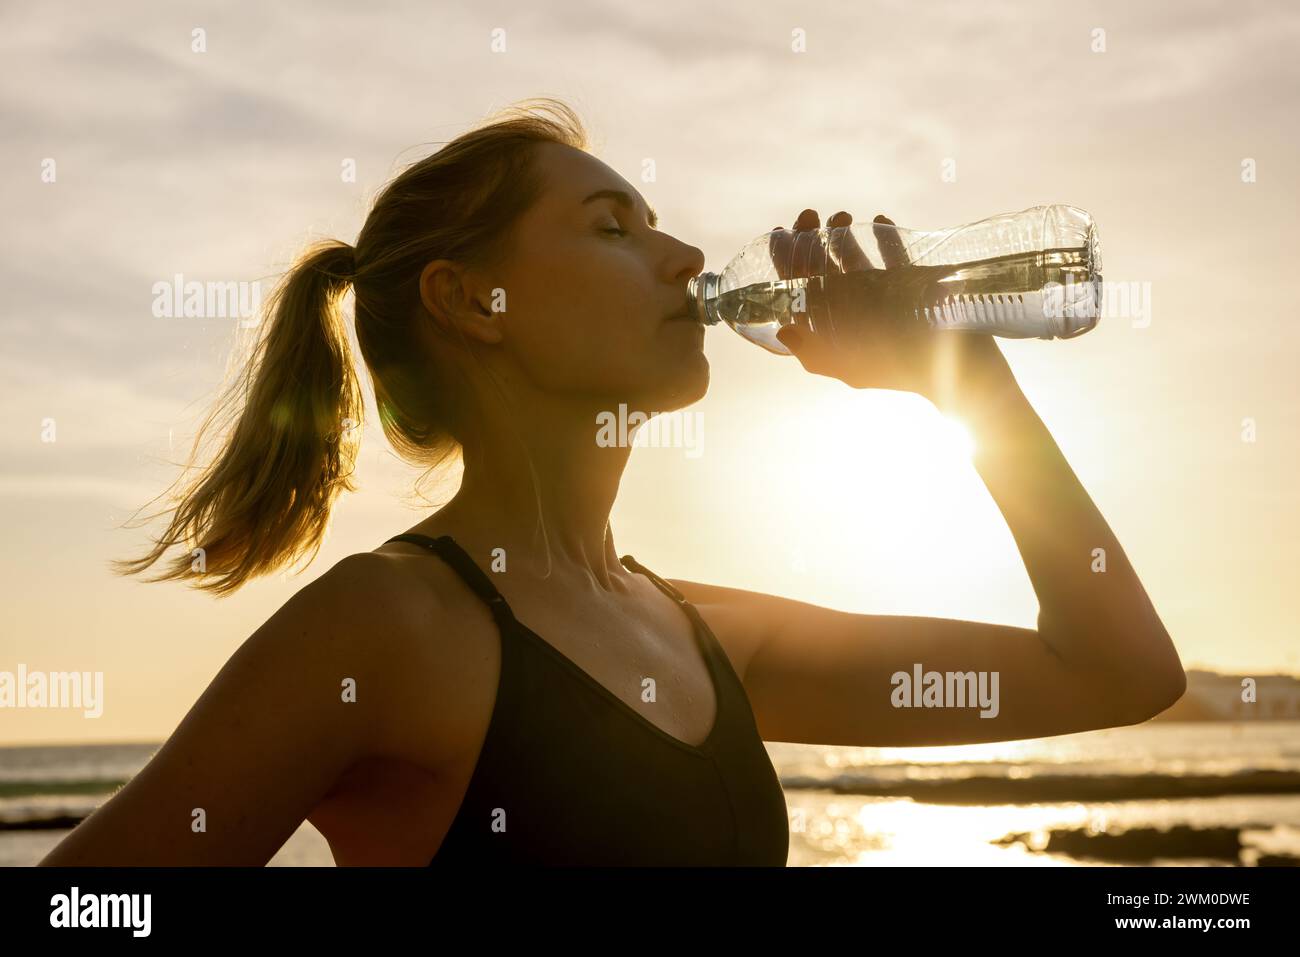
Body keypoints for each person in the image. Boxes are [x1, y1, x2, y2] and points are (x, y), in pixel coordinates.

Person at [38, 97, 1185, 867]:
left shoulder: (704, 636)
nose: (684, 255)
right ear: (469, 301)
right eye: (611, 226)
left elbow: (1117, 673)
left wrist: (969, 386)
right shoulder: (387, 630)